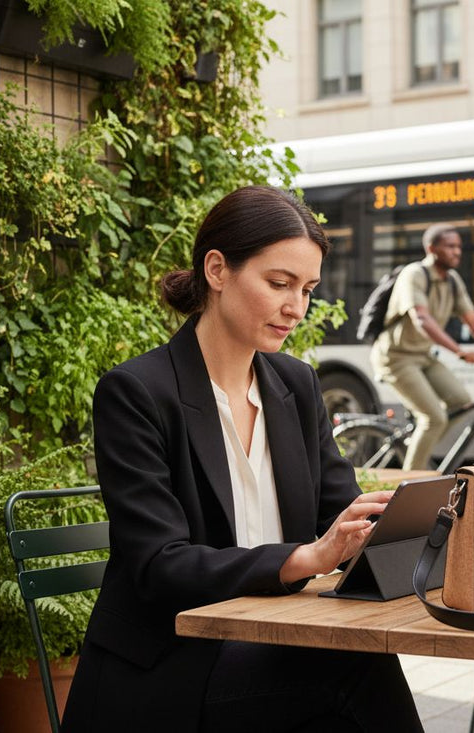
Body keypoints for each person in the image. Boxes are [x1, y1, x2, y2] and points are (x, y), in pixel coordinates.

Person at [62, 186, 424, 732]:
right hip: (170, 663)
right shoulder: (137, 392)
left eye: (306, 289)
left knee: (349, 672)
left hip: (274, 643)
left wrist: (392, 530)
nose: (295, 307)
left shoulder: (295, 385)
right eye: (278, 283)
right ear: (217, 269)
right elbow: (160, 564)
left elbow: (337, 514)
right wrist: (303, 558)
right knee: (352, 672)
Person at [370, 224, 474, 470]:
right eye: (450, 246)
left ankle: (417, 447)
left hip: (422, 355)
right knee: (433, 417)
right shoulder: (415, 274)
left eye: (459, 247)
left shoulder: (452, 281)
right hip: (396, 357)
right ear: (431, 248)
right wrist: (459, 351)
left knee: (462, 400)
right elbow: (421, 319)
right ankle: (409, 481)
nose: (457, 252)